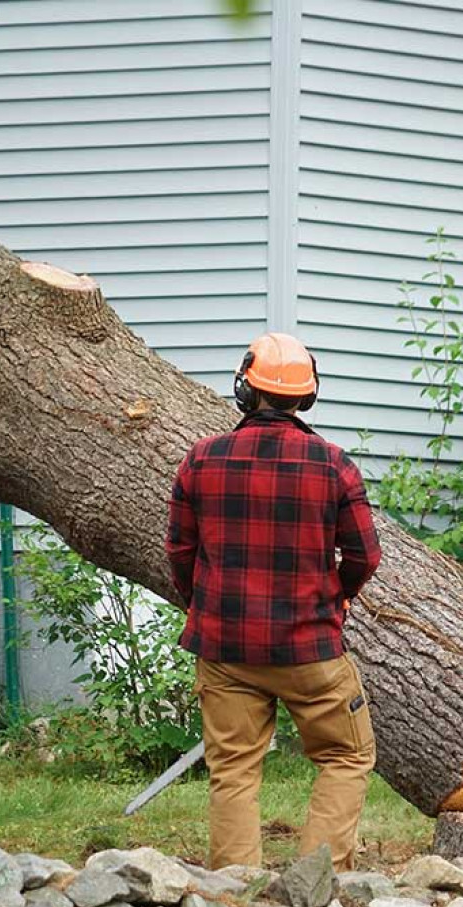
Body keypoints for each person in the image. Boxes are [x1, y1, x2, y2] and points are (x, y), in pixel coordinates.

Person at [165, 331, 382, 870]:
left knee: (233, 769)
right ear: (307, 396)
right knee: (347, 755)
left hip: (225, 649)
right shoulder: (334, 466)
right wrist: (339, 595)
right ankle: (318, 880)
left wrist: (206, 606)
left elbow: (179, 551)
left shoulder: (200, 459)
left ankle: (234, 895)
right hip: (309, 649)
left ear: (245, 387)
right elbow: (365, 556)